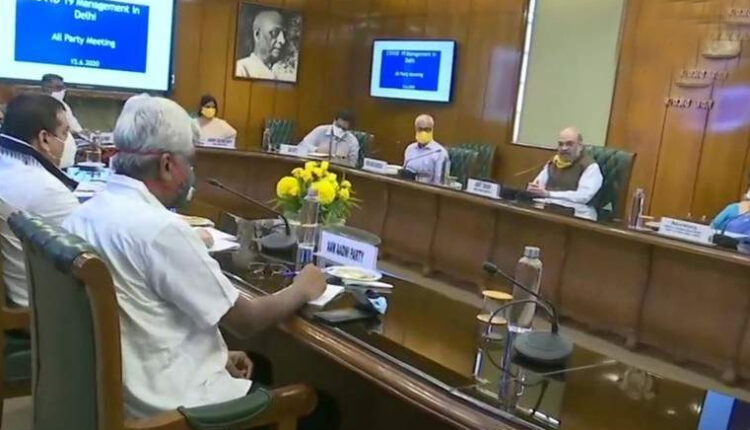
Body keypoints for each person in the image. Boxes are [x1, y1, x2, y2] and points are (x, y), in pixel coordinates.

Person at [62, 94, 327, 419]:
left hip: (113, 389)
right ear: (167, 164)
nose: (191, 173)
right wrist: (302, 288)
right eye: (189, 162)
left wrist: (215, 355)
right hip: (170, 410)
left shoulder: (82, 215)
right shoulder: (161, 229)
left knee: (259, 367)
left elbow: (140, 313)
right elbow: (246, 321)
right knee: (320, 407)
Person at [0, 94, 79, 307]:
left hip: (12, 296)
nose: (68, 142)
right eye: (65, 133)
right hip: (39, 307)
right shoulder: (48, 190)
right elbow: (89, 259)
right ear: (44, 139)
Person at [527, 127, 603, 205]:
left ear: (580, 146)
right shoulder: (553, 162)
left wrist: (549, 194)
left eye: (569, 144)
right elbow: (538, 186)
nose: (564, 148)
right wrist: (534, 189)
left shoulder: (590, 167)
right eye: (560, 144)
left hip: (577, 210)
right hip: (548, 207)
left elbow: (583, 197)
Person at [236, 10, 294, 82]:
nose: (282, 40)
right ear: (257, 35)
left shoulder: (285, 72)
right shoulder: (241, 69)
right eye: (274, 33)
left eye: (284, 34)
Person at [403, 114, 449, 185]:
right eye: (420, 129)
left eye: (427, 129)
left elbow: (439, 183)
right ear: (416, 130)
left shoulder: (440, 152)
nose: (423, 132)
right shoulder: (410, 149)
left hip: (427, 189)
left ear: (432, 130)